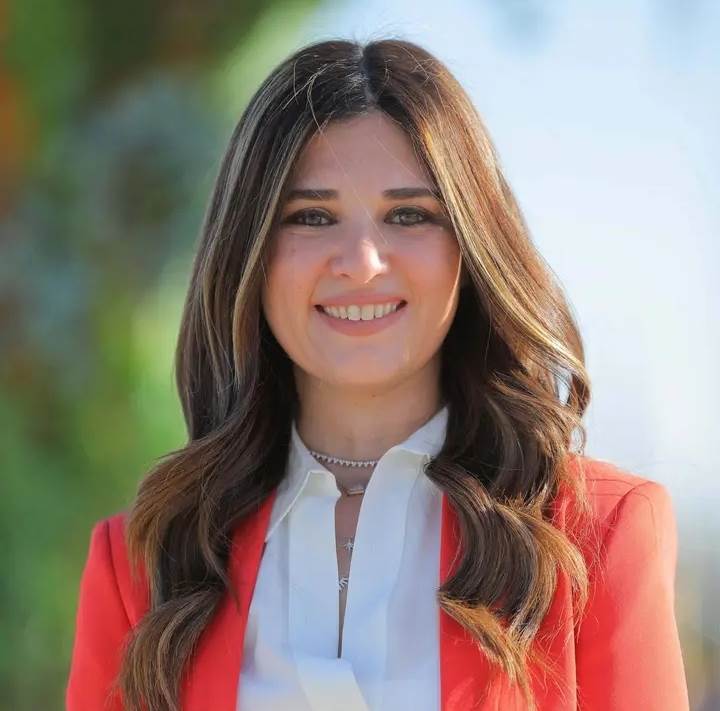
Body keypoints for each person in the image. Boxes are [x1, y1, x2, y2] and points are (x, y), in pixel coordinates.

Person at [65, 38, 689, 711]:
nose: (362, 262)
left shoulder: (599, 536)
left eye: (408, 215)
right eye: (312, 216)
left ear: (470, 249)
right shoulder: (145, 568)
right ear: (249, 251)